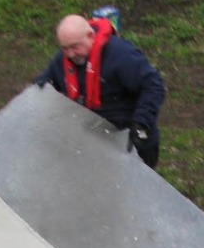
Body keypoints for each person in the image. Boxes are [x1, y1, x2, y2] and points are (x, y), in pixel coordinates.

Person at [34, 12, 166, 168]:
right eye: (65, 48)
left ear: (90, 36)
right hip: (91, 142)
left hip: (129, 139)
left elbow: (153, 86)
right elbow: (43, 85)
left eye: (75, 47)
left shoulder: (121, 56)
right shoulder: (62, 60)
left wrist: (141, 125)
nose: (70, 54)